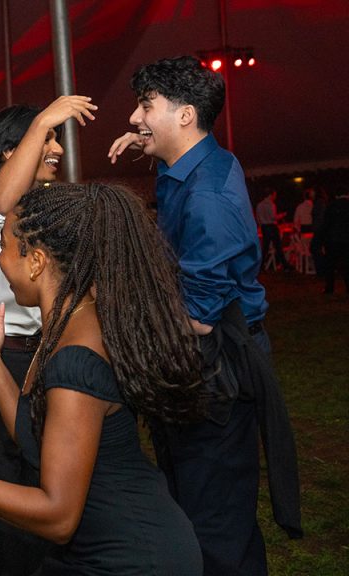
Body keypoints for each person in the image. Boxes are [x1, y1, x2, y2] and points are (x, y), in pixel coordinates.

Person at [0, 182, 205, 575]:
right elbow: (36, 436)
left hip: (132, 557)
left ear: (35, 260)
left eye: (2, 245)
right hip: (106, 546)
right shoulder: (69, 325)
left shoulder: (74, 360)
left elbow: (57, 516)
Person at [109, 55, 302, 575]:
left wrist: (120, 312)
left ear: (186, 115)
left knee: (214, 522)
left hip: (216, 369)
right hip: (201, 364)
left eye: (146, 106)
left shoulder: (209, 197)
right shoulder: (196, 164)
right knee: (195, 502)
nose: (133, 117)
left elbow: (196, 317)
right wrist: (153, 146)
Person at [0, 98, 94, 576]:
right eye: (46, 138)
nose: (55, 148)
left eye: (53, 137)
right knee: (3, 474)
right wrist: (46, 119)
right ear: (10, 150)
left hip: (49, 356)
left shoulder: (53, 203)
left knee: (50, 473)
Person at [317, 188, 349, 294]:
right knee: (346, 264)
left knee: (330, 264)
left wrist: (321, 241)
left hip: (332, 240)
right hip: (346, 239)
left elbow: (325, 224)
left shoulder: (332, 205)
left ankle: (330, 288)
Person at [256, 189, 290, 271]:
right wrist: (282, 215)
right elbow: (273, 217)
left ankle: (261, 266)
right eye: (274, 195)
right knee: (278, 247)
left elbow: (258, 218)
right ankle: (285, 265)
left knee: (265, 248)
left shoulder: (259, 205)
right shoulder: (271, 205)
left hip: (264, 227)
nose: (275, 197)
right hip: (272, 227)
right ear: (270, 195)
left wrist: (262, 225)